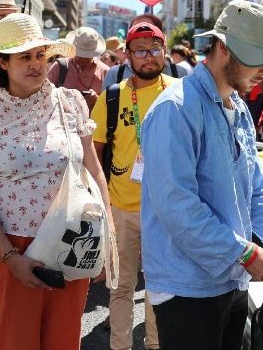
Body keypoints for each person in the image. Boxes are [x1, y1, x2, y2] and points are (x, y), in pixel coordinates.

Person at [140, 0, 263, 350]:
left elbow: (258, 193)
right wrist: (244, 252)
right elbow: (177, 206)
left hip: (232, 277)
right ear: (222, 47)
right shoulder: (176, 109)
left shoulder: (240, 108)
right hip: (186, 285)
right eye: (257, 59)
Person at [0, 13, 113, 350]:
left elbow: (94, 171)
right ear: (2, 62)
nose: (35, 64)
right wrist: (10, 256)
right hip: (10, 247)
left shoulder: (71, 103)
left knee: (63, 342)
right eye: (24, 56)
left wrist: (108, 242)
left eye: (40, 55)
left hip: (71, 242)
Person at [90, 22, 173, 350]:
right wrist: (101, 204)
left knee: (159, 285)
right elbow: (93, 154)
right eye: (140, 50)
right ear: (127, 56)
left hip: (166, 209)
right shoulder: (111, 97)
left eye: (155, 49)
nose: (149, 57)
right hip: (121, 208)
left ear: (164, 52)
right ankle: (120, 346)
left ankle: (154, 345)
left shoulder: (180, 92)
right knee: (122, 287)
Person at [103, 14, 180, 88]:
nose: (149, 58)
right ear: (128, 53)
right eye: (136, 29)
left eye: (148, 27)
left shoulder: (179, 75)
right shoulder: (115, 74)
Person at [47, 26, 109, 111]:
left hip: (94, 122)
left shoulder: (105, 71)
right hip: (61, 121)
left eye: (87, 55)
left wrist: (97, 99)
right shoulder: (59, 66)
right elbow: (44, 94)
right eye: (81, 54)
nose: (83, 58)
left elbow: (112, 105)